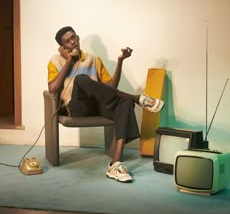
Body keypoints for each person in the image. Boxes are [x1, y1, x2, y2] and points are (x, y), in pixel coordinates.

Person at [47, 26, 164, 183]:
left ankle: (115, 164)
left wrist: (120, 61)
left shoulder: (93, 58)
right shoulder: (55, 61)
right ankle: (137, 98)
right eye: (67, 41)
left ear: (78, 37)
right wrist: (68, 61)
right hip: (76, 108)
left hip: (97, 106)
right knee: (81, 79)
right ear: (62, 47)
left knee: (124, 102)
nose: (73, 42)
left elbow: (110, 88)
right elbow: (52, 90)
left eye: (74, 37)